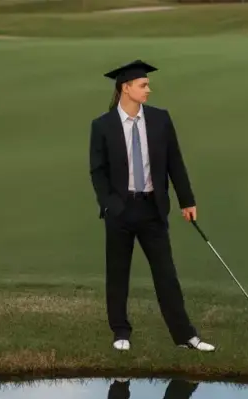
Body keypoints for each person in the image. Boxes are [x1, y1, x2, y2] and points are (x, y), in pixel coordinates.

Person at [89, 60, 215, 353]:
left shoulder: (160, 119)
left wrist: (187, 200)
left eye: (147, 84)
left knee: (166, 274)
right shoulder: (103, 126)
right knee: (118, 273)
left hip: (152, 209)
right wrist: (110, 205)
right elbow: (98, 171)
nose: (149, 89)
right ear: (126, 88)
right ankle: (120, 331)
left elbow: (175, 162)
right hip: (120, 210)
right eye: (143, 85)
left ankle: (185, 335)